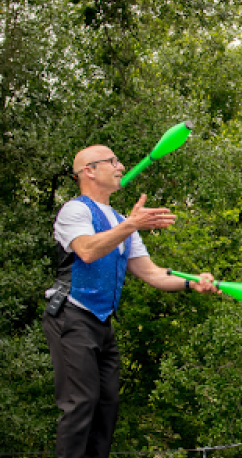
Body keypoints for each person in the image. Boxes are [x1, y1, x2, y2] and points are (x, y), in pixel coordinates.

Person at [43, 145, 220, 458]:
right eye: (112, 161)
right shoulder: (75, 211)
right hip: (71, 316)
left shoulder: (122, 220)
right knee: (80, 403)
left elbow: (151, 273)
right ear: (89, 171)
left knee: (107, 406)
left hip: (101, 324)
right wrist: (130, 226)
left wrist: (193, 282)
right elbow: (86, 250)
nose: (121, 166)